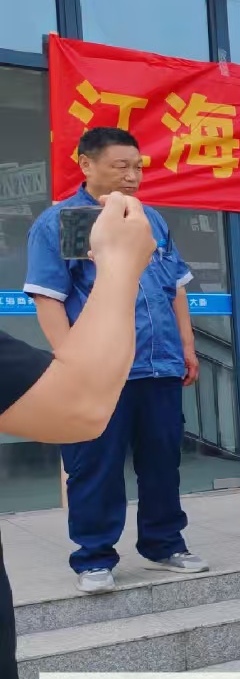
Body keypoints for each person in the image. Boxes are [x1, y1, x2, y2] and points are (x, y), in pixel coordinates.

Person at [2, 191, 160, 679]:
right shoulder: (65, 232)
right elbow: (81, 405)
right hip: (90, 374)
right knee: (96, 473)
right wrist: (118, 263)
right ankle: (93, 553)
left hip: (142, 372)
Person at [24, 126, 207, 592]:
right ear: (86, 164)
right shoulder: (71, 221)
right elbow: (49, 298)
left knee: (162, 461)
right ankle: (93, 557)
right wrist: (73, 362)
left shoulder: (150, 220)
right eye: (121, 166)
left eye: (138, 167)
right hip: (100, 369)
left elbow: (175, 287)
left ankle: (164, 544)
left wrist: (186, 346)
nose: (132, 176)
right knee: (95, 464)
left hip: (159, 364)